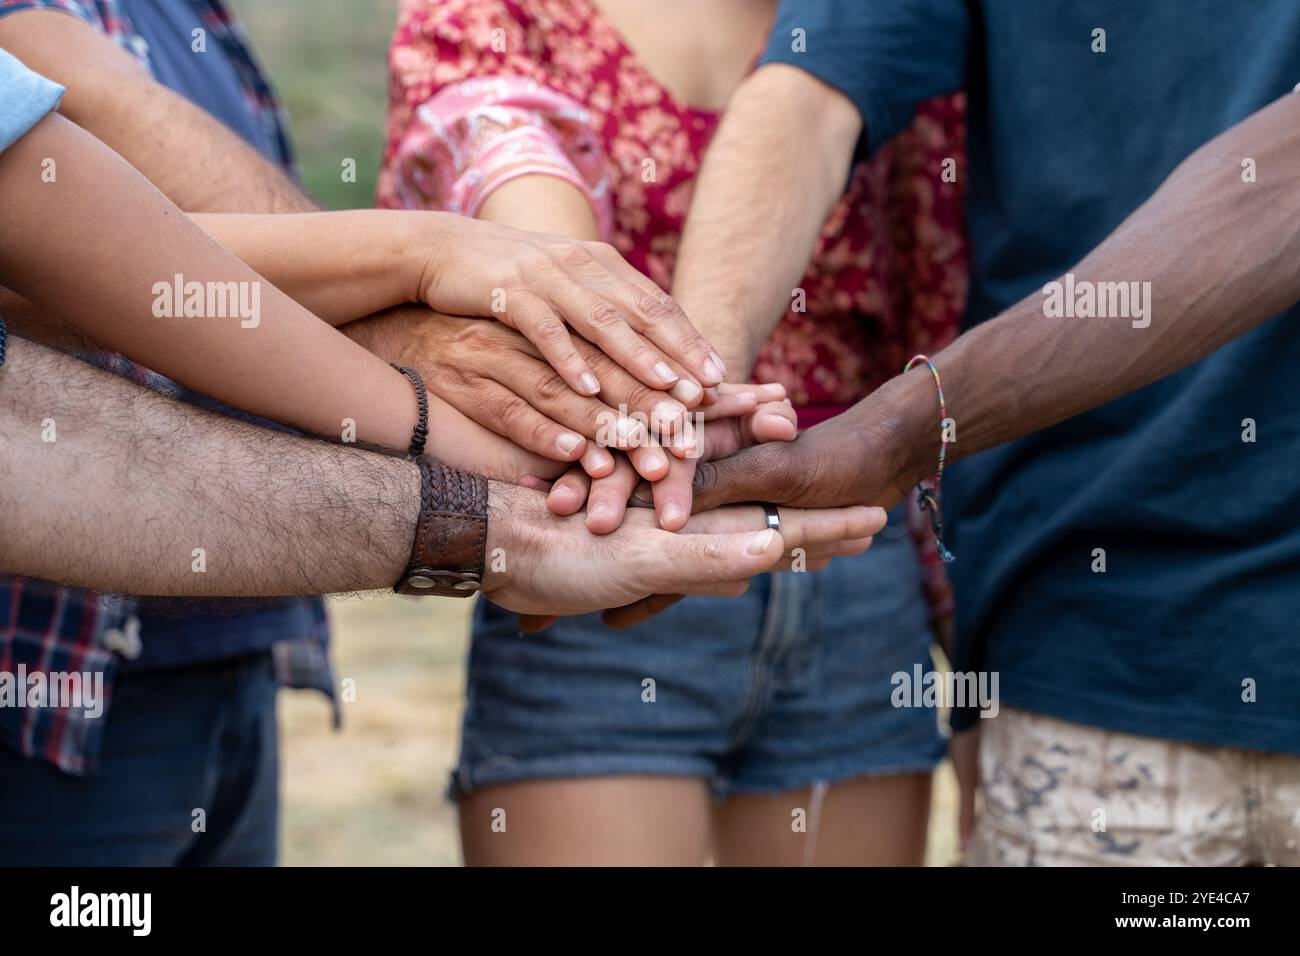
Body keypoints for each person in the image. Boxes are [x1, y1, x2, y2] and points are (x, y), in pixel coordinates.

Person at [0, 46, 886, 861]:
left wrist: (496, 457)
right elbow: (49, 272)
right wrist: (425, 266)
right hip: (78, 676)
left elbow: (61, 264)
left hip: (241, 639)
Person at [678, 0, 1300, 865]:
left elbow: (1278, 187)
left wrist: (903, 428)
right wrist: (696, 399)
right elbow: (810, 90)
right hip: (1085, 657)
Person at [378, 0, 967, 865]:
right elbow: (523, 219)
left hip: (849, 567)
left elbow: (938, 301)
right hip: (605, 555)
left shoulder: (886, 22)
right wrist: (656, 415)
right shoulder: (495, 16)